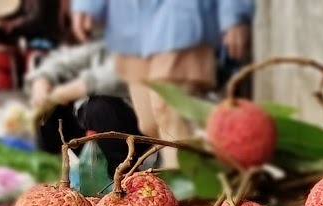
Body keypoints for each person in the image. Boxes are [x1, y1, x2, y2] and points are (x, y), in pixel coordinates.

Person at [70, 0, 254, 146]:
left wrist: (235, 13)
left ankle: (187, 180)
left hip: (182, 14)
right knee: (150, 124)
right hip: (132, 22)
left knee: (167, 107)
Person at [26, 41, 141, 171]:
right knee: (47, 108)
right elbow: (62, 61)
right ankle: (48, 171)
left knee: (99, 107)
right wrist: (43, 80)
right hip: (92, 129)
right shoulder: (105, 46)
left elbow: (111, 78)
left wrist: (59, 95)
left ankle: (122, 176)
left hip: (133, 133)